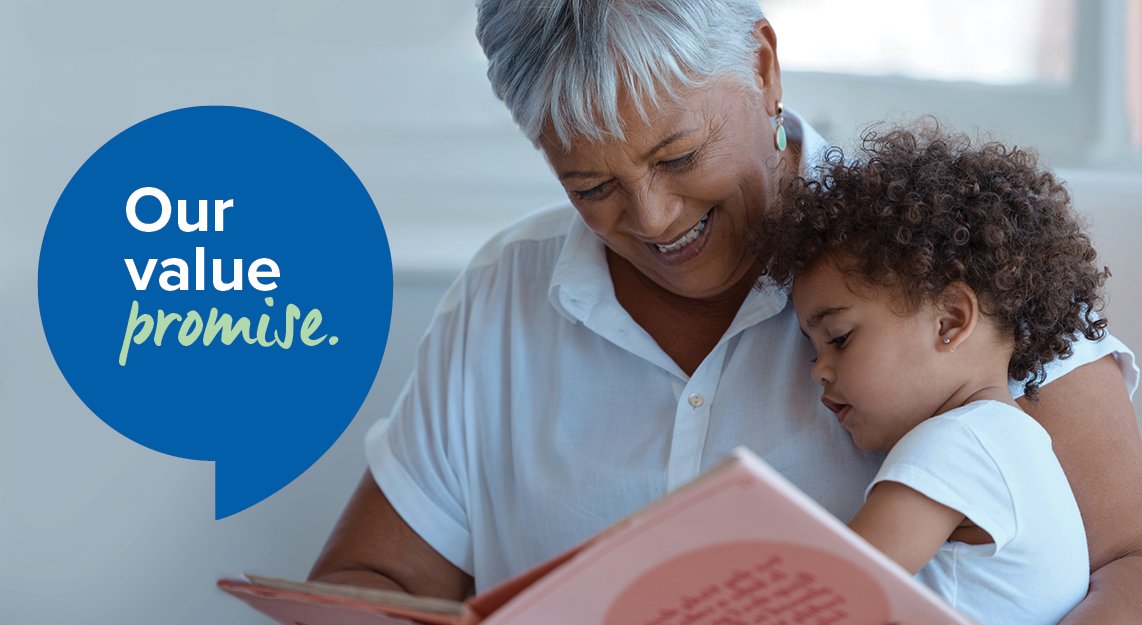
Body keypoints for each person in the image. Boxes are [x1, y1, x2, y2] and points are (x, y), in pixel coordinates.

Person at [310, 2, 1142, 621]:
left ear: (763, 66)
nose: (653, 216)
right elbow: (375, 581)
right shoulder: (504, 295)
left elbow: (1129, 564)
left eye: (680, 155)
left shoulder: (945, 263)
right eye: (589, 186)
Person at [754, 125, 1098, 624]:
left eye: (840, 338)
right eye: (812, 350)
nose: (818, 372)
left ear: (951, 320)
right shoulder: (1015, 440)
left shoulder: (956, 445)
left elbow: (831, 598)